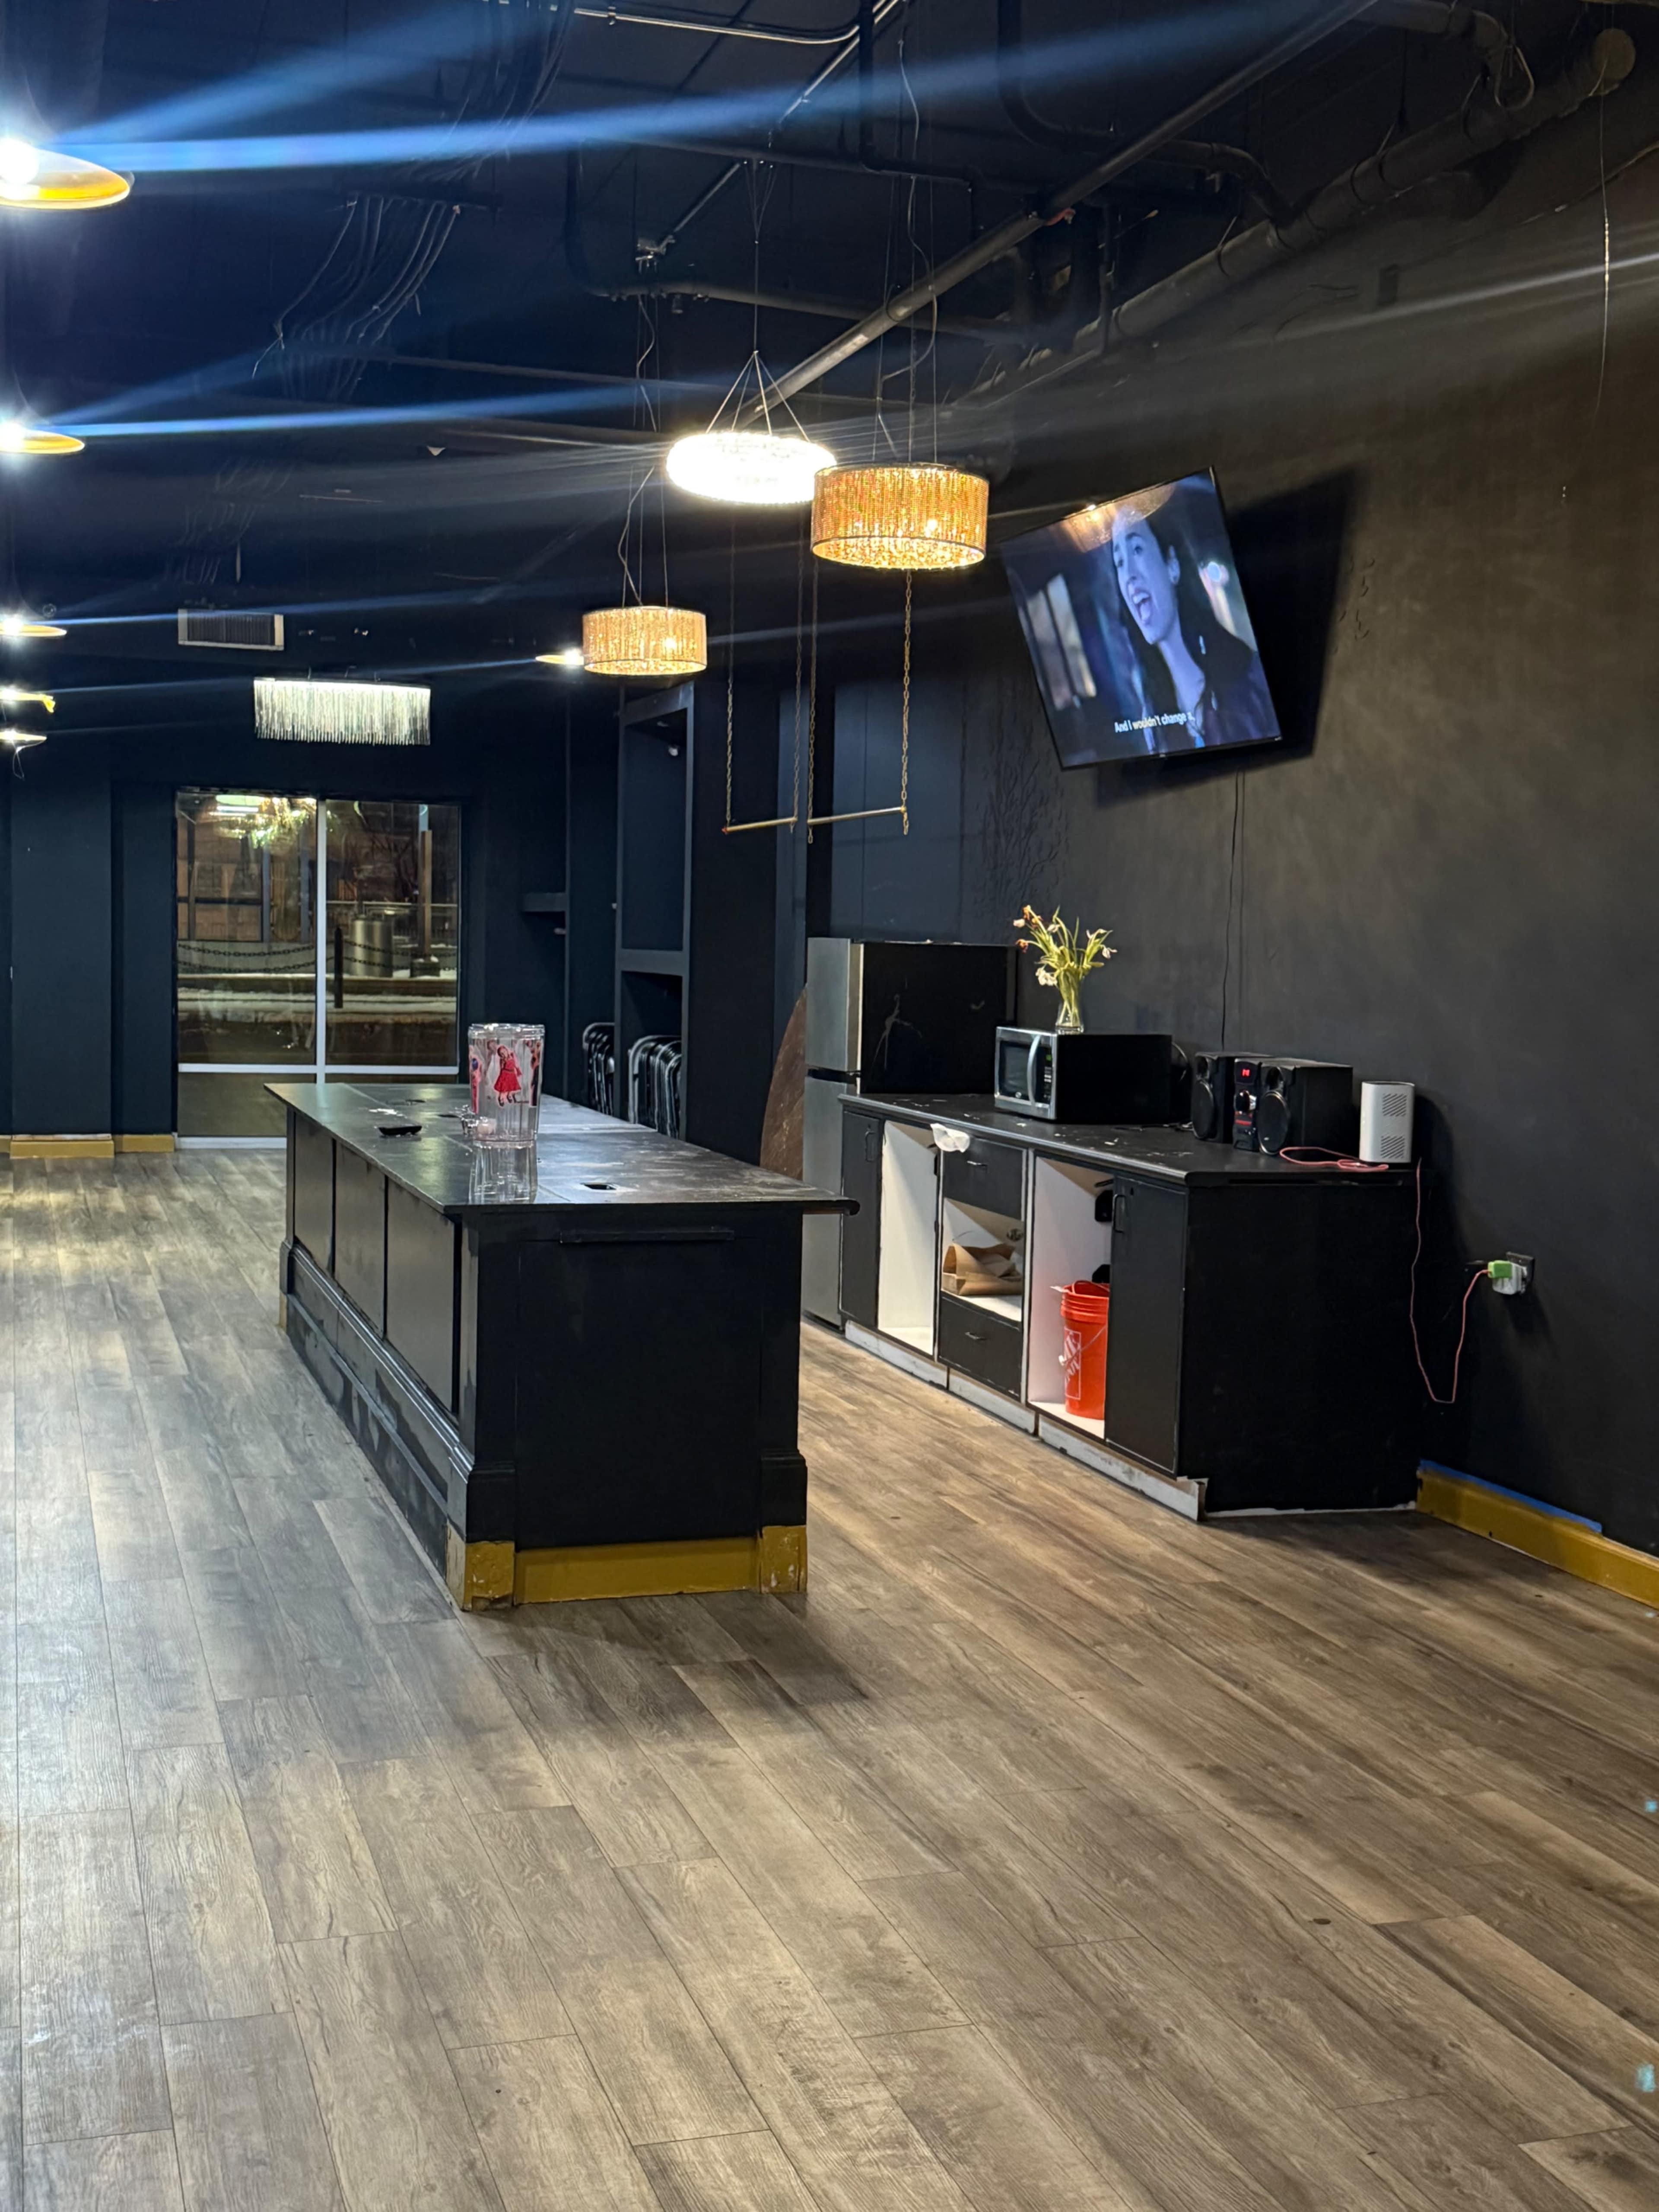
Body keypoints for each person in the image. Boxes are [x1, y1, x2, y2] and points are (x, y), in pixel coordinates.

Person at [1108, 488, 1278, 751]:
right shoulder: (1152, 720)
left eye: (1137, 550)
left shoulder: (1252, 678)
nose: (1129, 574)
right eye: (1120, 562)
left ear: (1172, 565)